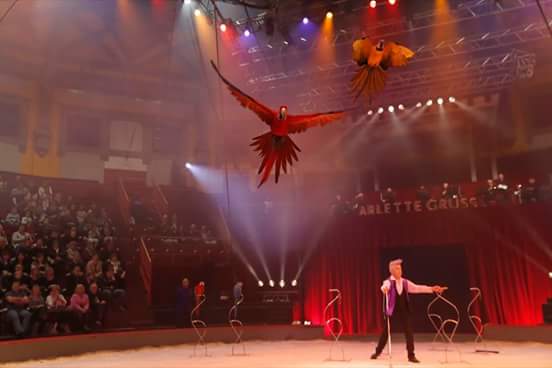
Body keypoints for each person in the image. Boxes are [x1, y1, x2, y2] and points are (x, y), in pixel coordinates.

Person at [371, 259, 446, 364]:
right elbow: (384, 286)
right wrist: (384, 289)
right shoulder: (388, 281)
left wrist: (432, 289)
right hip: (393, 311)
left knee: (409, 332)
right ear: (392, 271)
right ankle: (377, 352)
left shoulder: (405, 282)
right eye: (397, 269)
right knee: (386, 332)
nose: (400, 270)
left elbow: (417, 288)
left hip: (404, 310)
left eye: (400, 268)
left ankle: (411, 355)